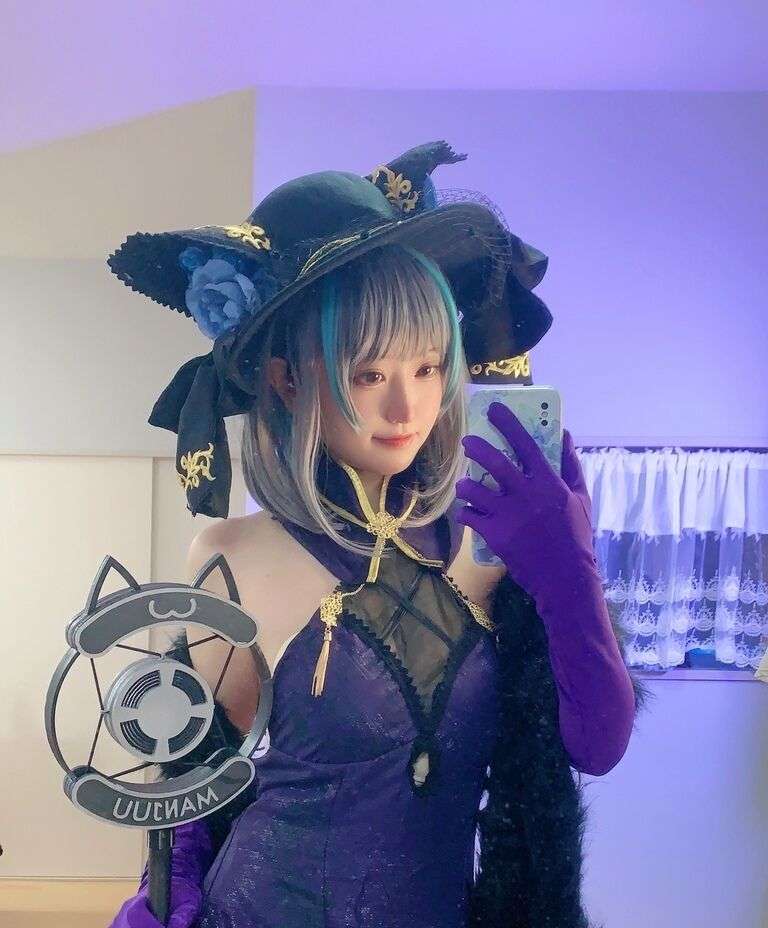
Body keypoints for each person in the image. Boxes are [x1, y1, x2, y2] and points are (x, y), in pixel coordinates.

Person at [106, 141, 649, 928]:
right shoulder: (230, 554)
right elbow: (198, 778)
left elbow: (597, 744)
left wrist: (570, 567)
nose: (407, 407)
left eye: (428, 368)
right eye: (369, 374)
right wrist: (167, 895)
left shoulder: (492, 548)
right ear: (289, 379)